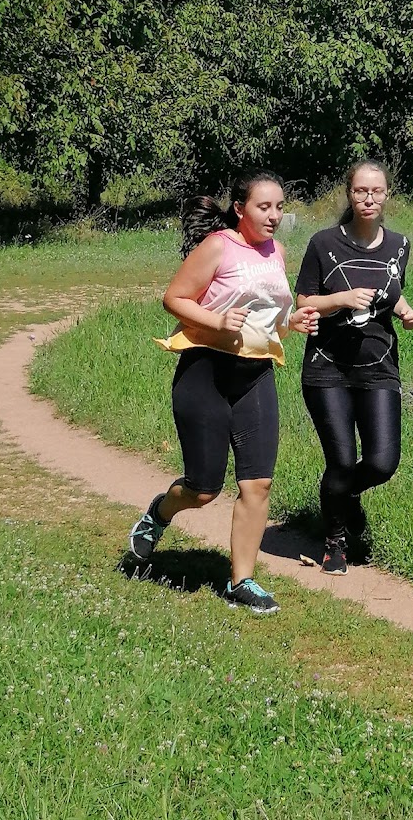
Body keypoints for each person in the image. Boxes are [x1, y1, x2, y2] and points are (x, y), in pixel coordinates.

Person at [128, 172, 318, 614]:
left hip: (255, 376)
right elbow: (173, 298)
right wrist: (216, 322)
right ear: (240, 209)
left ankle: (242, 582)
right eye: (263, 207)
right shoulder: (218, 245)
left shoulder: (277, 253)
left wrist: (293, 325)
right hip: (205, 372)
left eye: (278, 207)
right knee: (203, 488)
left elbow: (269, 324)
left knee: (259, 483)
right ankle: (160, 512)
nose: (273, 216)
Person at [295, 160, 413, 575]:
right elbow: (303, 303)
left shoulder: (399, 244)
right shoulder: (323, 243)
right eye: (361, 191)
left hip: (379, 366)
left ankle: (339, 497)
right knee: (343, 461)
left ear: (387, 195)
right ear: (349, 194)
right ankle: (335, 542)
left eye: (377, 191)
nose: (369, 199)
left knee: (383, 462)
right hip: (327, 368)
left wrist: (404, 310)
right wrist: (342, 300)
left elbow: (388, 294)